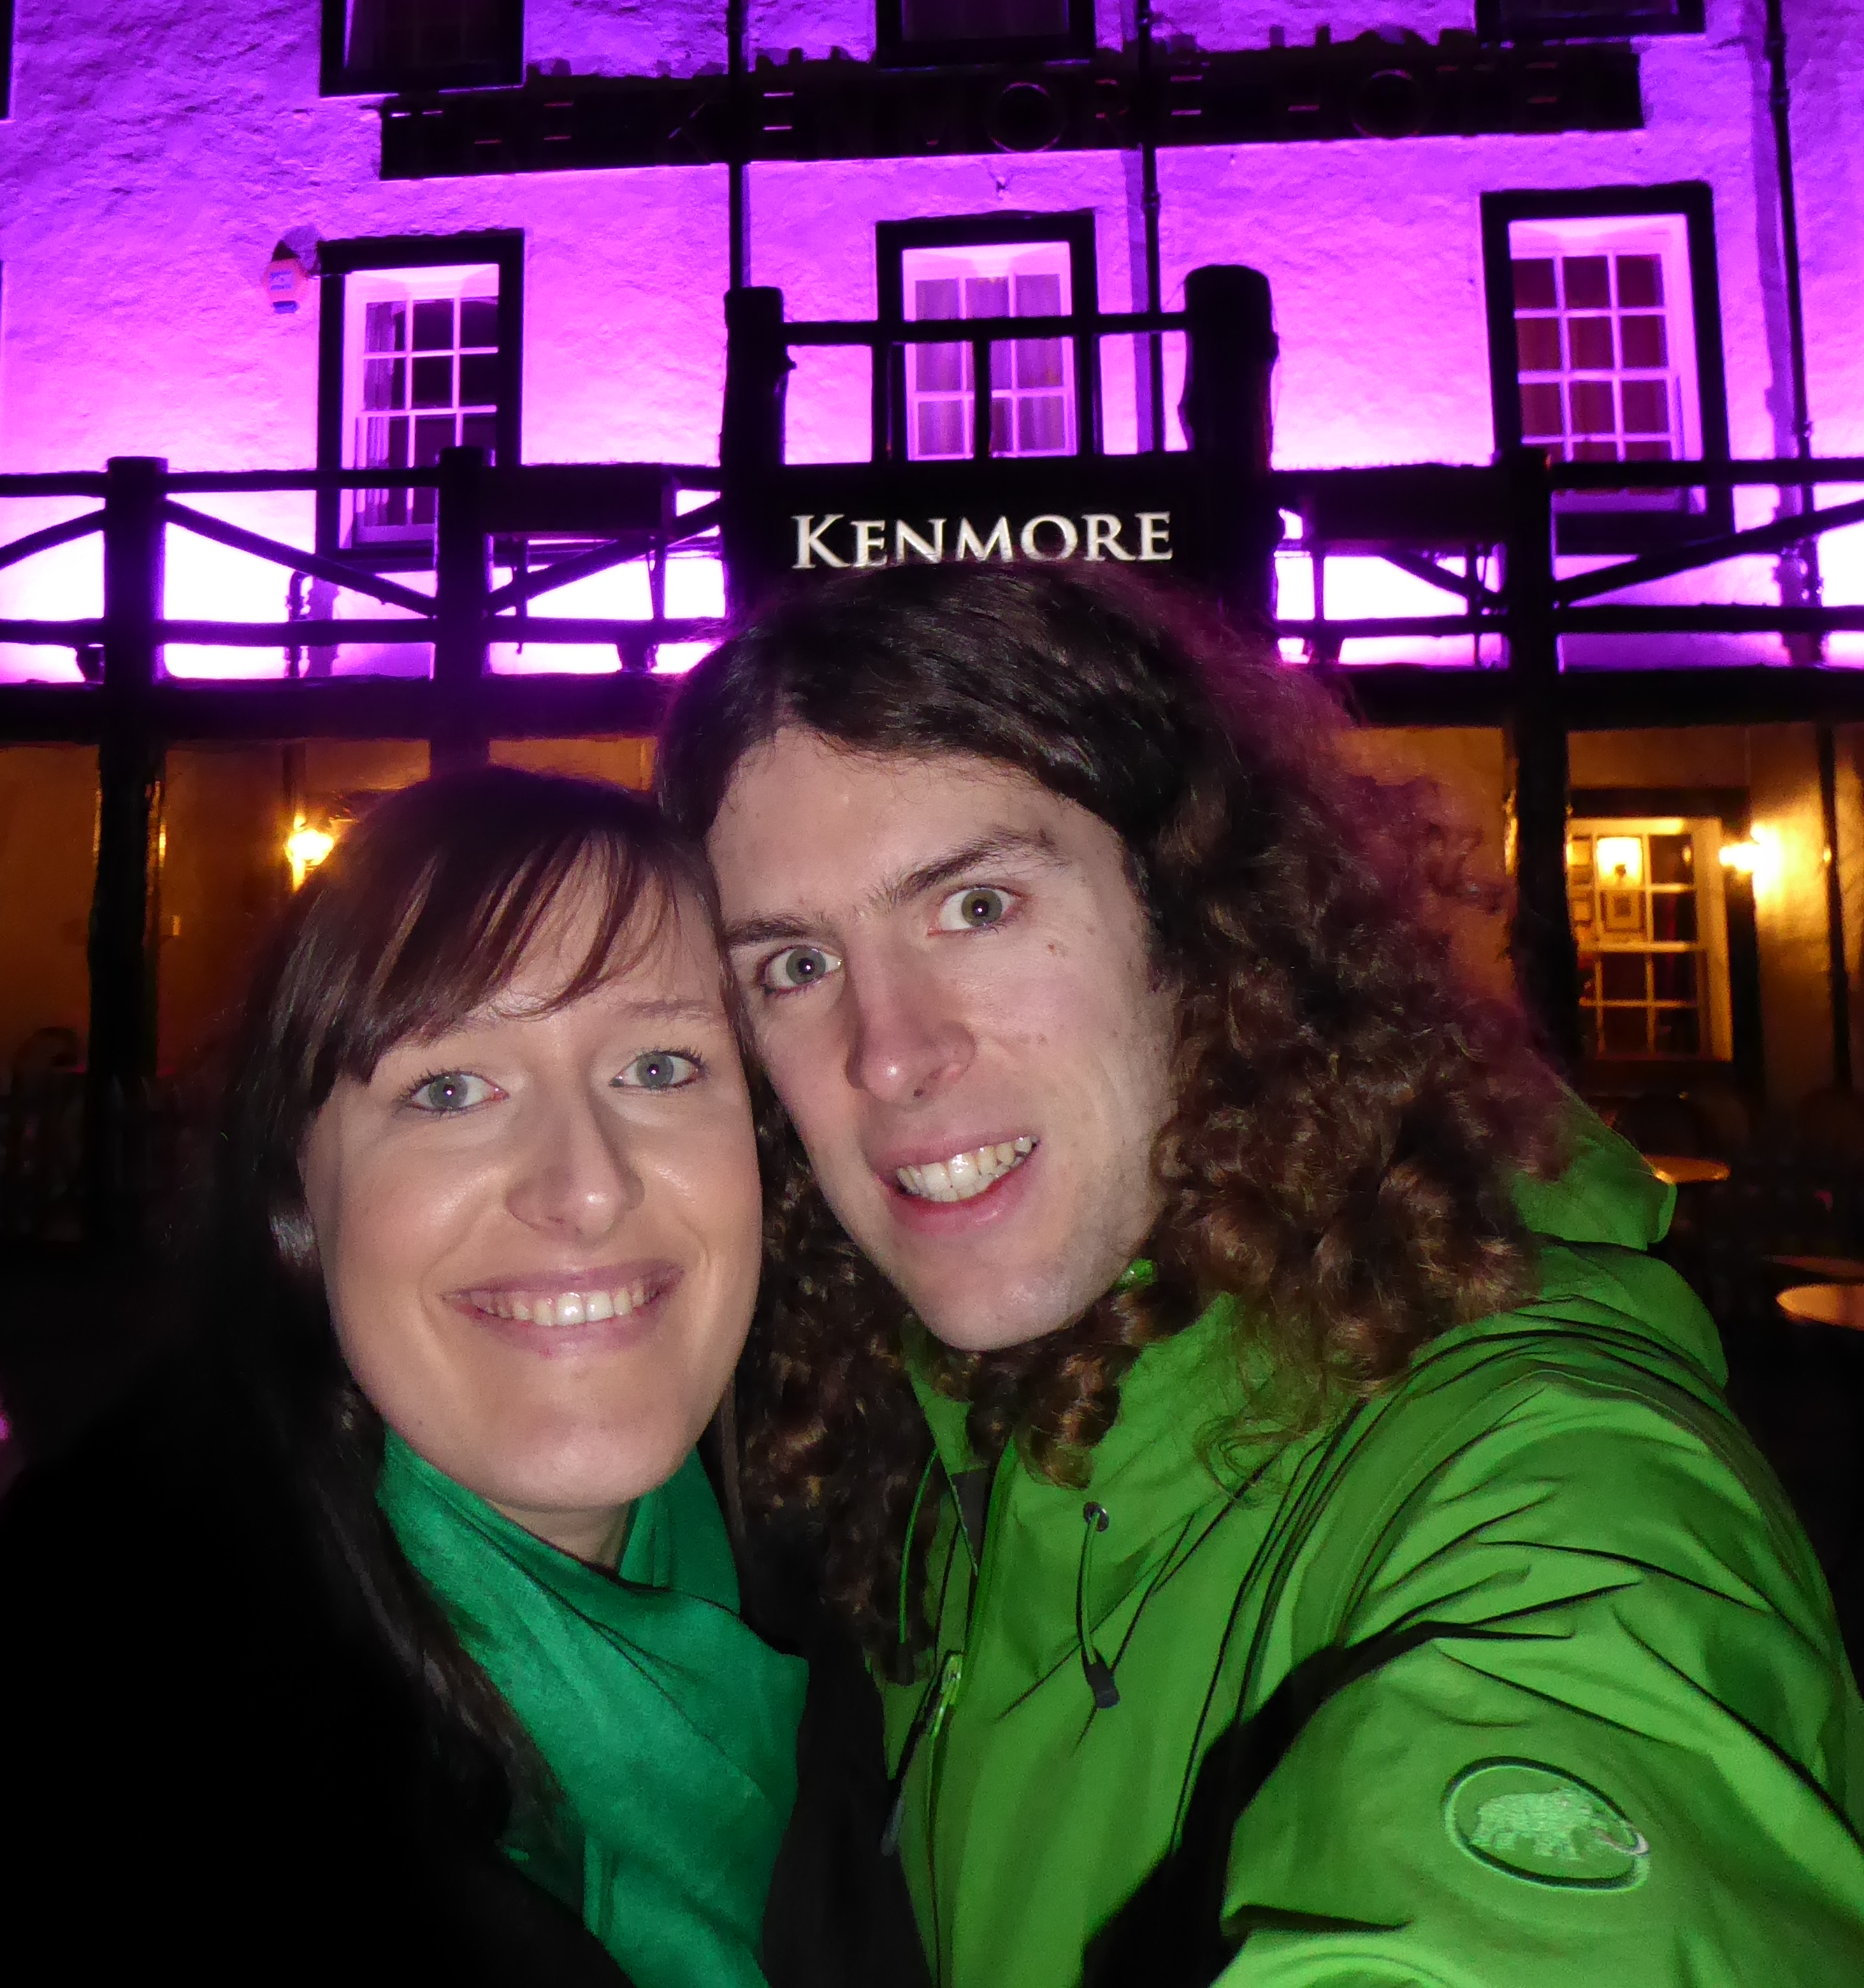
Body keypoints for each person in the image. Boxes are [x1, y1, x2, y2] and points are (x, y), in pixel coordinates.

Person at [658, 565, 1864, 1987]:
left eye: (977, 904)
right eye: (795, 964)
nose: (890, 1052)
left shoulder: (1542, 1464)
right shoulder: (935, 1427)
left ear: (1197, 925)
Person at [0, 770, 920, 1985]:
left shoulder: (879, 1579)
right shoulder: (48, 1755)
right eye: (450, 1089)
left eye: (659, 1068)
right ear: (297, 1202)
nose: (586, 1188)